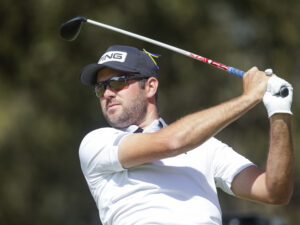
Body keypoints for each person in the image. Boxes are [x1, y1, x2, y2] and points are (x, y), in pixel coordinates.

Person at [78, 45, 294, 225]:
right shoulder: (97, 143)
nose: (107, 93)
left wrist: (279, 112)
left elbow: (274, 191)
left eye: (117, 82)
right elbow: (173, 142)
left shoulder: (206, 146)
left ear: (150, 87)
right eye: (100, 88)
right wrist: (249, 98)